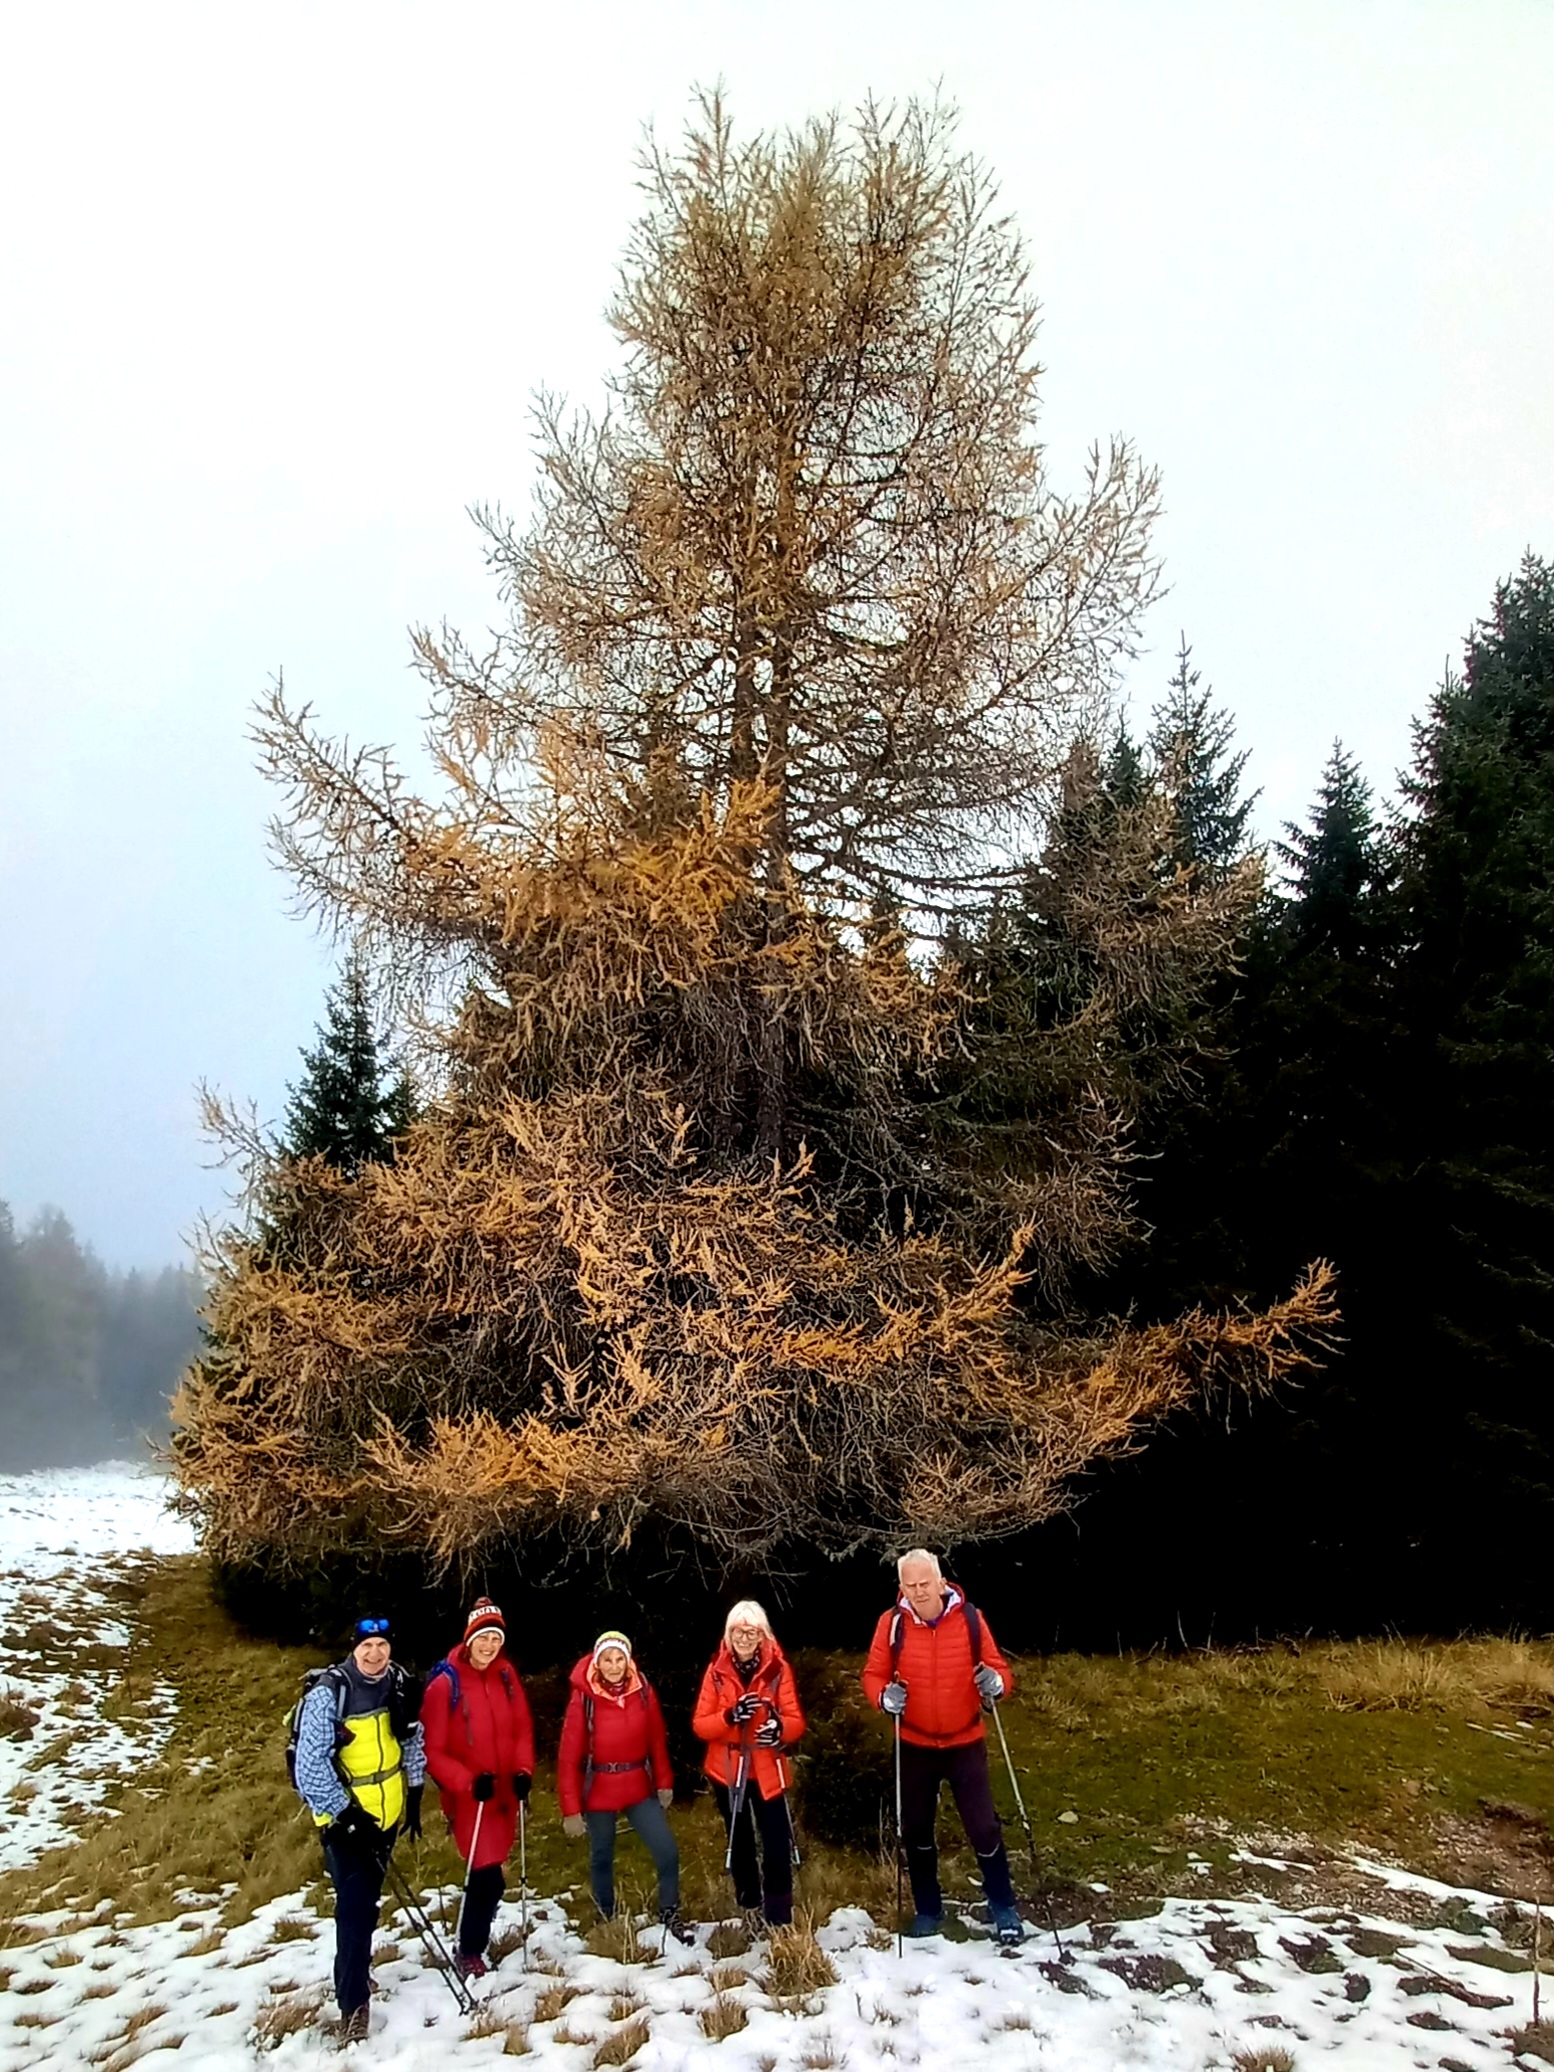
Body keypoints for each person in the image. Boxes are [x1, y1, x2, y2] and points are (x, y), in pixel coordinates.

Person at [860, 1549, 1024, 1946]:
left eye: (924, 1583)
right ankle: (928, 1909)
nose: (918, 1592)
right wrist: (883, 1697)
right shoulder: (891, 1623)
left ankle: (1003, 1905)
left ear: (940, 1582)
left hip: (964, 1740)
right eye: (910, 1585)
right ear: (901, 1587)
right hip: (914, 1742)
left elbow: (999, 1669)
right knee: (916, 1827)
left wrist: (995, 1683)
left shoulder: (970, 1619)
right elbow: (873, 1674)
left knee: (983, 1827)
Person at [293, 1614, 427, 2041]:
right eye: (366, 1646)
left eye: (382, 1645)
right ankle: (353, 2005)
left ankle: (358, 1971)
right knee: (353, 1910)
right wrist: (346, 1816)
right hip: (345, 1823)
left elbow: (411, 1738)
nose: (375, 1653)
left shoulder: (399, 1682)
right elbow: (309, 1767)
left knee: (367, 1904)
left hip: (385, 1816)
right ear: (354, 1648)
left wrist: (415, 1791)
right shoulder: (329, 1694)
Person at [420, 1596, 536, 1979]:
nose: (489, 1645)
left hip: (505, 1793)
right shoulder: (445, 1684)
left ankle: (476, 1937)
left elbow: (522, 1728)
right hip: (472, 1797)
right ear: (469, 1639)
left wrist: (523, 1770)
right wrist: (467, 1782)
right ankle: (469, 1949)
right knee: (486, 1874)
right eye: (483, 1638)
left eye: (496, 1638)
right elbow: (432, 1751)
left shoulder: (506, 1676)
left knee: (494, 1875)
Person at [557, 1628, 693, 1944]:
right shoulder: (583, 1698)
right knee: (602, 1855)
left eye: (620, 1659)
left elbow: (656, 1739)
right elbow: (568, 1756)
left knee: (667, 1850)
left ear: (628, 1661)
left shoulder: (642, 1690)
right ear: (597, 1662)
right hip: (599, 1789)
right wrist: (571, 1809)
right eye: (608, 1660)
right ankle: (605, 1915)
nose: (614, 1666)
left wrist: (664, 1782)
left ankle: (669, 1910)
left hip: (638, 1786)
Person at [691, 1599, 805, 1930]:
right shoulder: (716, 1672)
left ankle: (779, 1916)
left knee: (776, 1842)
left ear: (762, 1635)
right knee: (739, 1842)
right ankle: (749, 1905)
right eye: (738, 1632)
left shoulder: (778, 1669)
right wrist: (729, 1716)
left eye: (751, 1632)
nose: (744, 1639)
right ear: (728, 1635)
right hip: (727, 1768)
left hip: (767, 1765)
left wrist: (779, 1728)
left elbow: (796, 1720)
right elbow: (701, 1724)